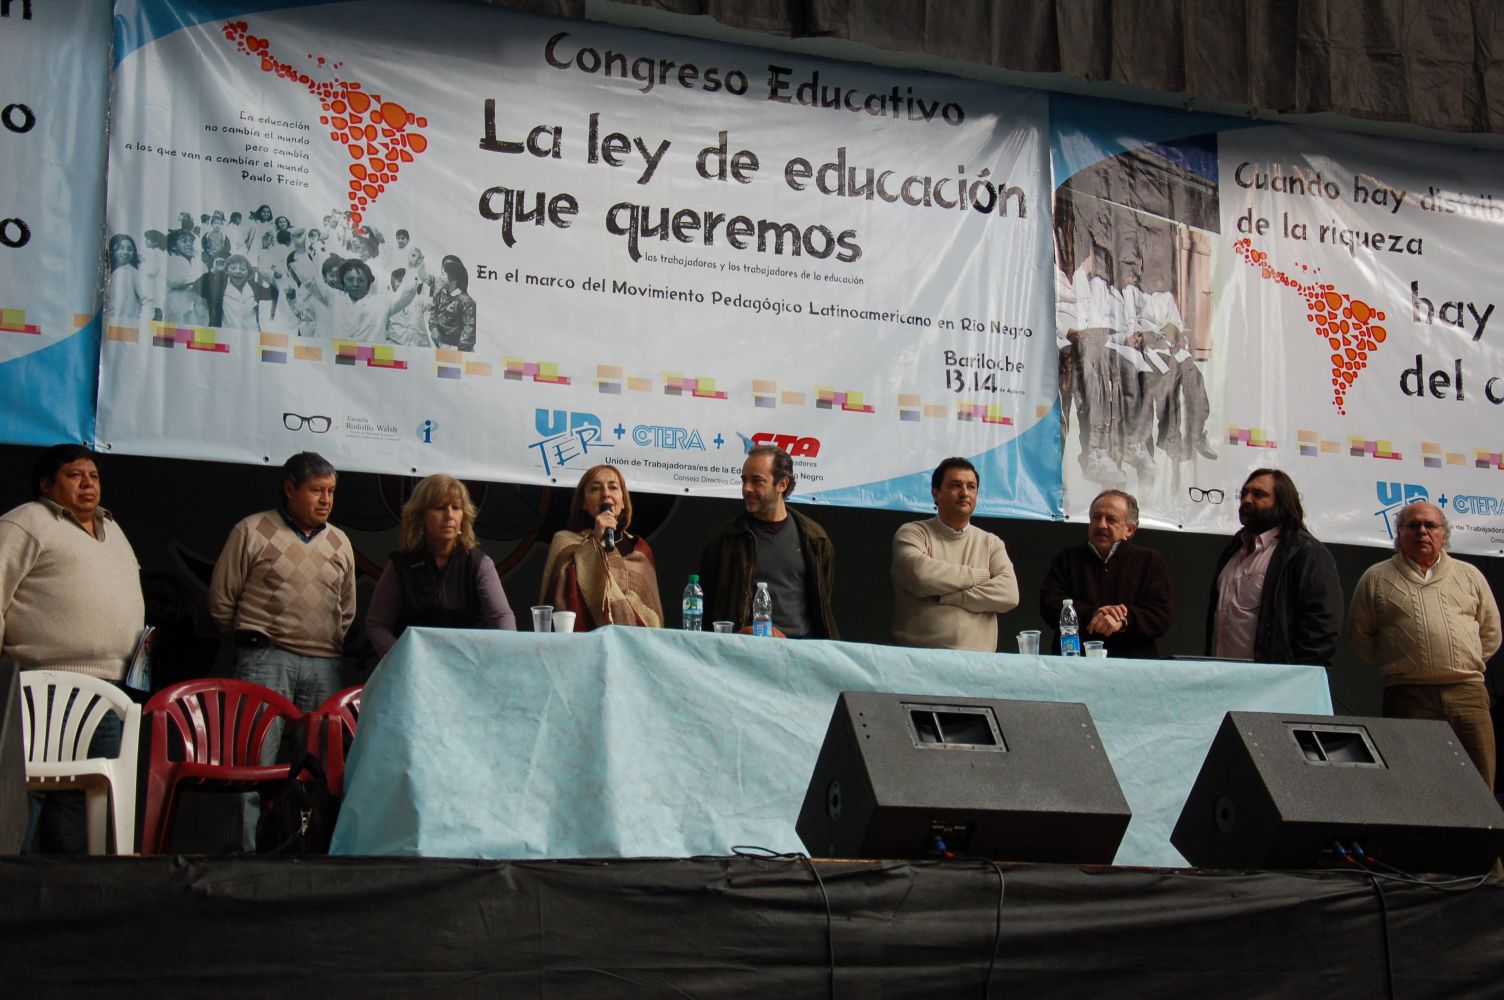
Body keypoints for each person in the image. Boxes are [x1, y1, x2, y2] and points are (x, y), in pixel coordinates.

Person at [0, 445, 145, 853]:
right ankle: (14, 888)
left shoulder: (112, 527)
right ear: (46, 484)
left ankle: (69, 893)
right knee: (29, 789)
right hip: (41, 686)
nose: (88, 484)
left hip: (108, 690)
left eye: (94, 476)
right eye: (74, 475)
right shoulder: (26, 522)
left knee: (84, 797)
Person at [207, 452, 356, 848]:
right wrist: (254, 643)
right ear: (290, 489)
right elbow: (222, 602)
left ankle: (311, 849)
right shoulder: (252, 531)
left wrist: (317, 640)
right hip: (264, 661)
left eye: (331, 492)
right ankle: (246, 853)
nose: (325, 500)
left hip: (325, 663)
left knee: (321, 768)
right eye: (316, 490)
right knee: (253, 762)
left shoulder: (340, 542)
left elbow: (347, 610)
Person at [1347, 501, 1500, 790]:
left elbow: (1490, 632)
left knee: (1480, 786)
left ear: (1444, 535)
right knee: (1415, 787)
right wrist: (1401, 664)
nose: (1422, 532)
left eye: (1430, 525)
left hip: (1468, 694)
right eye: (1412, 525)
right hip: (1408, 696)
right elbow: (1359, 635)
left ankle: (1479, 838)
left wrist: (1462, 662)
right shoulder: (1376, 577)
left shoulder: (1470, 575)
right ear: (1398, 535)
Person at [366, 474, 516, 658]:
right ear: (421, 515)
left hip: (469, 668)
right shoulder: (401, 565)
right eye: (439, 508)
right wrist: (402, 658)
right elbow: (377, 625)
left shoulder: (478, 564)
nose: (449, 516)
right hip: (414, 672)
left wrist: (493, 659)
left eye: (456, 508)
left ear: (464, 516)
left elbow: (502, 618)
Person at [1205, 468, 1343, 665]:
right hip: (1222, 679)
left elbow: (1322, 625)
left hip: (1274, 684)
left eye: (1258, 494)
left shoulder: (1305, 552)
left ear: (1282, 503)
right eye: (1244, 493)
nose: (1247, 500)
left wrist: (1295, 676)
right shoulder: (1233, 551)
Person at [699, 445, 837, 638]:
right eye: (744, 480)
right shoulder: (723, 540)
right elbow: (708, 609)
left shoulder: (815, 539)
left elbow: (821, 602)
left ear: (782, 484)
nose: (747, 488)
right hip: (740, 653)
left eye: (757, 481)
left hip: (799, 654)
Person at [891, 457, 1019, 652]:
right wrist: (979, 575)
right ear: (936, 493)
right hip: (918, 663)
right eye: (955, 485)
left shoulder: (991, 543)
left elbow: (1009, 594)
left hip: (978, 665)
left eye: (971, 487)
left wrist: (953, 597)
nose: (964, 493)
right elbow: (921, 576)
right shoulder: (913, 533)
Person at [1039, 489, 1172, 658]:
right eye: (1096, 517)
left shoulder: (1150, 561)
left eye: (1111, 520)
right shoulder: (1067, 559)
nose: (1101, 525)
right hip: (1075, 664)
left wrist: (1122, 620)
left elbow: (1161, 614)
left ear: (1130, 529)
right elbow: (1049, 604)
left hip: (1134, 667)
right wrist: (1092, 615)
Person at [540, 464, 663, 629]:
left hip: (632, 646)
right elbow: (560, 595)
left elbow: (651, 614)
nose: (606, 494)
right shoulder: (565, 542)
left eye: (613, 487)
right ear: (583, 503)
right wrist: (595, 542)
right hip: (583, 644)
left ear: (624, 501)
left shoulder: (640, 550)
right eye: (595, 489)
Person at [428, 255, 477, 351]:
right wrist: (433, 328)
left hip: (457, 350)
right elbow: (433, 313)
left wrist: (458, 351)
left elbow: (469, 331)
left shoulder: (466, 301)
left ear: (453, 278)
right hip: (439, 346)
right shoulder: (440, 293)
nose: (440, 277)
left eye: (443, 274)